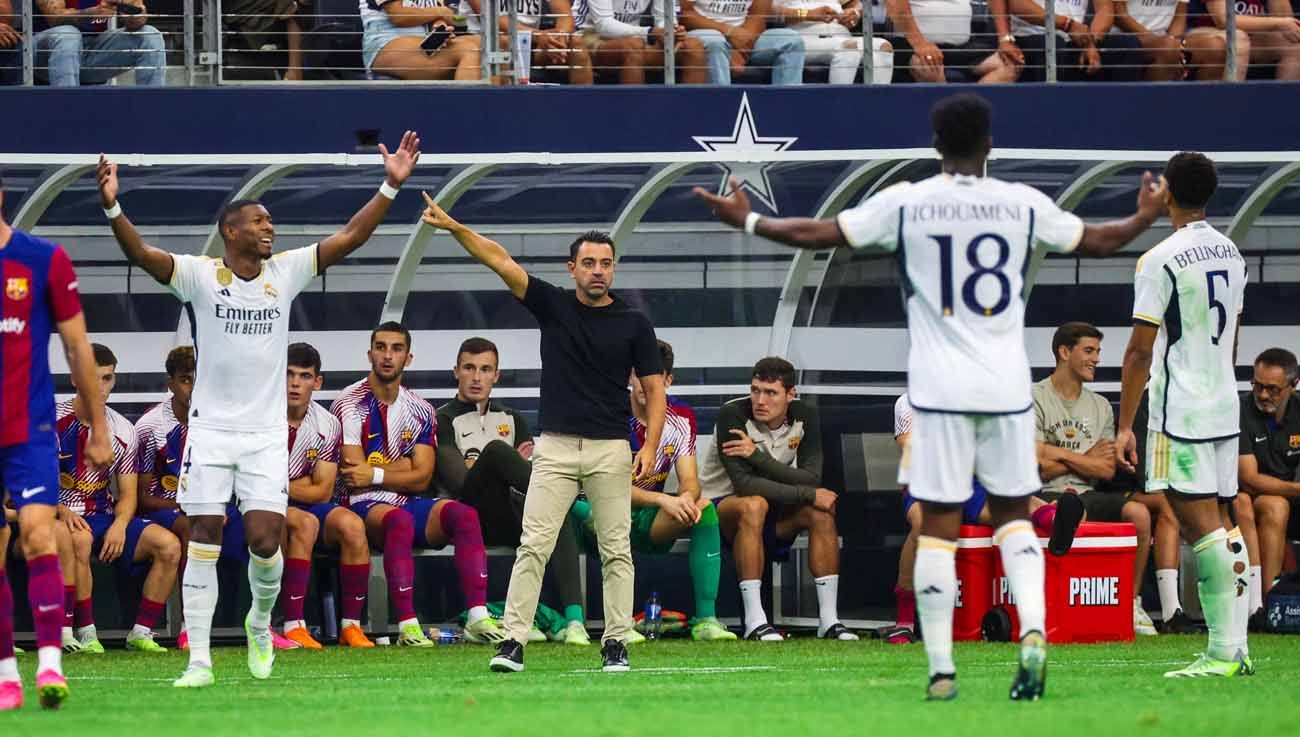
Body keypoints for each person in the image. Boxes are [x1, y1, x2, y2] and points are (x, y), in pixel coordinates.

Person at [696, 93, 1165, 700]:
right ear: (989, 144)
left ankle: (942, 665)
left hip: (940, 391)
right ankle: (1034, 634)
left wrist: (748, 220)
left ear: (935, 145)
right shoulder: (1019, 204)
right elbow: (1100, 240)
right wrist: (1145, 215)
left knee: (939, 526)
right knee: (1016, 517)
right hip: (1004, 387)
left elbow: (819, 232)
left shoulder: (909, 202)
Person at [96, 129, 422, 688]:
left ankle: (258, 621)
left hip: (267, 434)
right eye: (260, 221)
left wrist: (390, 187)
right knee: (204, 531)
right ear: (232, 230)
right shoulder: (200, 276)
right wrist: (112, 206)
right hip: (211, 431)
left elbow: (348, 237)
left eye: (271, 221)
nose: (270, 227)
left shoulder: (285, 273)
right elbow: (144, 255)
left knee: (266, 540)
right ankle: (198, 659)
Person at [419, 199, 664, 675]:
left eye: (606, 264)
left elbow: (653, 388)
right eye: (589, 263)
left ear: (614, 270)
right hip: (554, 447)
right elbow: (498, 258)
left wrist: (649, 445)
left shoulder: (634, 323)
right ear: (572, 268)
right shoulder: (552, 303)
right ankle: (512, 642)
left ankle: (615, 643)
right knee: (535, 544)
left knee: (617, 550)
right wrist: (452, 226)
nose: (598, 272)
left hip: (610, 448)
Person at [1116, 151, 1253, 678]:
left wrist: (1126, 424)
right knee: (1221, 522)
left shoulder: (1159, 259)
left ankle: (1224, 652)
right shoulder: (1233, 253)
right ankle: (1236, 647)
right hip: (1223, 400)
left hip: (1181, 412)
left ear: (1168, 191)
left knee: (1201, 526)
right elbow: (1234, 333)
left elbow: (1138, 352)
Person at [0, 170, 112, 711]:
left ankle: (49, 662)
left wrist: (99, 426)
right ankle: (5, 673)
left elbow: (77, 347)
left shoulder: (43, 259)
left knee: (39, 536)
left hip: (30, 430)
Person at [334, 323, 506, 647]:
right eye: (381, 347)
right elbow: (354, 476)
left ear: (408, 357)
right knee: (397, 521)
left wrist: (377, 471)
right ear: (369, 353)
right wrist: (400, 468)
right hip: (363, 504)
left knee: (463, 515)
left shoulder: (421, 409)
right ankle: (408, 626)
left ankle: (478, 617)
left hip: (408, 501)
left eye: (396, 348)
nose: (388, 356)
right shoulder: (349, 403)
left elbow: (423, 476)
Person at [434, 336, 589, 645]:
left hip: (511, 512)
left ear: (497, 375)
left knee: (553, 513)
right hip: (469, 517)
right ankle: (579, 505)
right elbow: (459, 482)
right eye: (469, 368)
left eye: (485, 369)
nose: (477, 377)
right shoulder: (443, 419)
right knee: (496, 452)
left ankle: (575, 622)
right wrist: (504, 461)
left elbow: (531, 472)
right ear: (456, 372)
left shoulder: (511, 418)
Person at [698, 357, 856, 642]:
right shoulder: (732, 414)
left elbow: (811, 477)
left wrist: (756, 456)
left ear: (790, 395)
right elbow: (745, 485)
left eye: (770, 393)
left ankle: (829, 621)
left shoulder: (805, 415)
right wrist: (808, 493)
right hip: (721, 511)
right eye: (755, 390)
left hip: (773, 510)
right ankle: (755, 621)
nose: (760, 400)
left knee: (821, 513)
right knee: (754, 504)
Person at [1032, 322, 1159, 636]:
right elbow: (1035, 464)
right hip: (1044, 494)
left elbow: (1105, 469)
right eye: (1089, 351)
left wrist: (1057, 456)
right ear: (1064, 352)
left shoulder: (1101, 406)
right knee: (1075, 510)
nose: (1097, 359)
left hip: (1090, 492)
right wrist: (1085, 458)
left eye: (1098, 351)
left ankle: (1130, 601)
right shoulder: (1033, 396)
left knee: (1139, 514)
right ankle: (1069, 605)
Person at [55, 344, 179, 654]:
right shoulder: (50, 420)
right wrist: (60, 510)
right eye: (92, 378)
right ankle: (85, 632)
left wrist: (121, 524)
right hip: (56, 516)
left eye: (107, 378)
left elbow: (127, 495)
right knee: (80, 540)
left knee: (169, 546)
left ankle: (141, 632)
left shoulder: (124, 430)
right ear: (74, 379)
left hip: (104, 517)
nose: (100, 387)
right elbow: (32, 481)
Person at [620, 340, 736, 641]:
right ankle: (611, 623)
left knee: (703, 508)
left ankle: (706, 620)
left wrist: (686, 497)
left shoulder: (681, 419)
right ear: (629, 377)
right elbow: (607, 489)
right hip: (599, 512)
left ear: (668, 380)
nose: (646, 384)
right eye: (639, 375)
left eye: (655, 377)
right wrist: (662, 499)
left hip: (646, 515)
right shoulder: (611, 416)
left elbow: (690, 479)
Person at [280, 342, 375, 649]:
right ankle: (294, 624)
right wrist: (300, 481)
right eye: (289, 375)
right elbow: (255, 484)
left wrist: (283, 482)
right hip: (262, 507)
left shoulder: (328, 424)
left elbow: (321, 491)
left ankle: (351, 626)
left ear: (317, 382)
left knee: (352, 524)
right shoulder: (260, 418)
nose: (295, 383)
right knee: (303, 523)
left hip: (308, 506)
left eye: (305, 376)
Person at [1235, 348, 1300, 629]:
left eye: (1272, 389)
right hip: (1244, 497)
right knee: (1275, 505)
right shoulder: (1239, 409)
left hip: (1289, 492)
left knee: (1279, 503)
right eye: (1258, 385)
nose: (1262, 395)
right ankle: (1268, 604)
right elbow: (1249, 478)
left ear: (1293, 385)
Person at [33, 0, 165, 87]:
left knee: (150, 34)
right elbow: (54, 17)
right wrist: (89, 13)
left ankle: (152, 111)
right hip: (46, 54)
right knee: (69, 34)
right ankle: (67, 111)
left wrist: (134, 17)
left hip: (91, 50)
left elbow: (139, 14)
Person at [572, 0, 709, 83]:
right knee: (633, 46)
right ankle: (636, 119)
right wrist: (650, 33)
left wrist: (672, 31)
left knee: (693, 47)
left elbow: (664, 17)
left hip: (636, 35)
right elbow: (603, 25)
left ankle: (690, 121)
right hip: (590, 35)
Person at [885, 0, 1021, 82]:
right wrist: (919, 43)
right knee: (928, 67)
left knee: (1010, 65)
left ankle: (971, 116)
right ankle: (948, 123)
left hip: (963, 46)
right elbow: (894, 4)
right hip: (912, 44)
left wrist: (1005, 40)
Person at [459, 0, 594, 83]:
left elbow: (565, 16)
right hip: (486, 41)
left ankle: (584, 115)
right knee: (504, 43)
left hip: (529, 45)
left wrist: (560, 38)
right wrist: (538, 35)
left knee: (576, 45)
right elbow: (492, 19)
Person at [680, 0, 806, 84]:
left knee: (791, 41)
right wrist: (728, 31)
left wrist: (741, 48)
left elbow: (758, 15)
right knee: (715, 42)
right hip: (703, 32)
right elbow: (684, 13)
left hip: (745, 35)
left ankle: (784, 113)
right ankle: (720, 113)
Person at [773, 0, 894, 84]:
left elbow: (856, 4)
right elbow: (768, 12)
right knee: (848, 48)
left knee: (883, 47)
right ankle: (841, 112)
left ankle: (876, 109)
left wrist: (855, 14)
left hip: (840, 33)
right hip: (801, 38)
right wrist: (807, 14)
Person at [361, 0, 482, 80]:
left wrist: (441, 24)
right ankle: (468, 116)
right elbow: (398, 17)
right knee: (469, 50)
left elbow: (457, 21)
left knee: (493, 44)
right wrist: (441, 12)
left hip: (425, 36)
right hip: (386, 39)